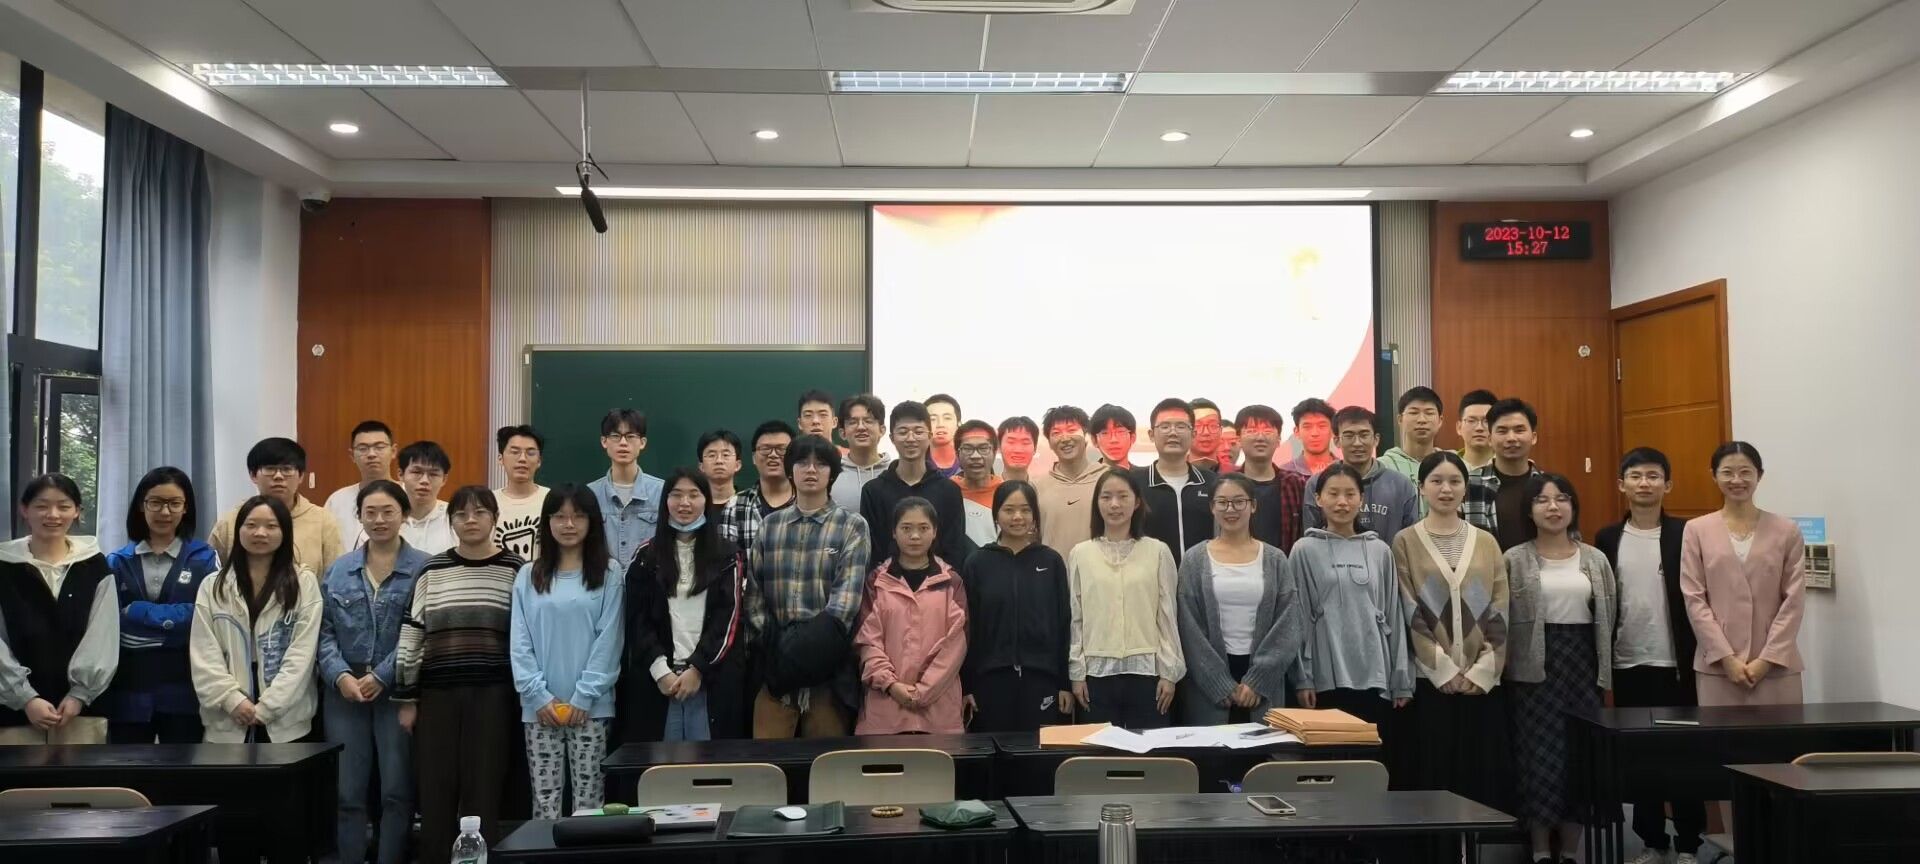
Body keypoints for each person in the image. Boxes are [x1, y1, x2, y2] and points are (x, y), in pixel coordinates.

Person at [394, 486, 525, 864]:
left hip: (494, 694)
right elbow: (412, 633)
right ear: (451, 521)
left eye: (479, 513)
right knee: (436, 790)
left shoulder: (516, 569)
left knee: (484, 787)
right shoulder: (432, 569)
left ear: (494, 519)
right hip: (437, 695)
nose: (470, 520)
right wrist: (406, 698)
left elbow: (526, 635)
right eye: (461, 514)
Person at [1594, 448, 1706, 864]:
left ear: (1668, 484)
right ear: (1621, 484)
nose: (1644, 483)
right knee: (1641, 756)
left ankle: (1690, 843)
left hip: (1678, 664)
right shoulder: (1608, 537)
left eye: (1653, 476)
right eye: (1635, 476)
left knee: (1684, 755)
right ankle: (1652, 841)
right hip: (1628, 662)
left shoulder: (1686, 533)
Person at [1504, 474, 1617, 864]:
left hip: (1583, 666)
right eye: (1542, 500)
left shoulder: (1595, 559)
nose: (1553, 507)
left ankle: (1570, 850)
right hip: (1533, 670)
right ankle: (1539, 850)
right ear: (1529, 511)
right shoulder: (1514, 558)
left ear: (1573, 507)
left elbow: (1610, 616)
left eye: (1562, 498)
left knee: (1580, 758)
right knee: (1536, 758)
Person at [319, 479, 431, 864]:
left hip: (398, 690)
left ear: (404, 515)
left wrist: (382, 675)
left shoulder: (424, 568)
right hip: (344, 692)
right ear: (360, 516)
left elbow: (422, 630)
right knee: (347, 792)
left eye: (388, 512)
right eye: (370, 512)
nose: (379, 520)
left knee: (397, 791)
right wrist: (340, 675)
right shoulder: (339, 570)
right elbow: (323, 632)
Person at [1393, 452, 1513, 813]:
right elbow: (1409, 610)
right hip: (1432, 684)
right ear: (1421, 487)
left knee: (1480, 780)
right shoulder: (1405, 542)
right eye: (1436, 481)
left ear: (1465, 488)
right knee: (1435, 780)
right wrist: (1441, 669)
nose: (1445, 489)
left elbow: (1500, 607)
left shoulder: (1486, 541)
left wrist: (1483, 671)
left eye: (1454, 481)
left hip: (1481, 684)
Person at [509, 484, 626, 819]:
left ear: (592, 522)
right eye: (559, 516)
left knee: (589, 803)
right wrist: (537, 696)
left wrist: (584, 696)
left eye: (578, 516)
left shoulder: (609, 573)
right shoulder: (528, 575)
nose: (569, 524)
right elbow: (520, 641)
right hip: (539, 708)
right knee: (544, 804)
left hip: (591, 707)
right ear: (547, 522)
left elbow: (610, 639)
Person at [748, 435, 871, 738]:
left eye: (821, 464)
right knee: (767, 761)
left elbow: (844, 605)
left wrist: (802, 654)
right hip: (774, 673)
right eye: (802, 462)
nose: (811, 470)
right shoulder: (770, 526)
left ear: (833, 473)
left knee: (826, 762)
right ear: (790, 470)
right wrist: (776, 652)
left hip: (827, 673)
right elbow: (754, 597)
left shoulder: (852, 526)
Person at [1289, 465, 1411, 751]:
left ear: (1361, 500)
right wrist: (1303, 679)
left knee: (1370, 760)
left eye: (1350, 494)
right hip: (1325, 673)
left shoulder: (1380, 550)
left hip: (1374, 673)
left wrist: (1401, 678)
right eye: (1333, 494)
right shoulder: (1303, 550)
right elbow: (1297, 618)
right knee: (1329, 762)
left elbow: (1393, 614)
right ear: (1318, 498)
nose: (1342, 502)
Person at [621, 469, 747, 743]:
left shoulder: (727, 555)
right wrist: (660, 671)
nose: (684, 503)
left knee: (707, 763)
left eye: (694, 495)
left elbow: (728, 619)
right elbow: (637, 620)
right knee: (661, 763)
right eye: (676, 495)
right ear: (665, 501)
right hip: (660, 681)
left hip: (708, 679)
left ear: (706, 501)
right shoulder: (645, 556)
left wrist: (698, 668)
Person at [190, 495, 324, 744]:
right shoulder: (213, 586)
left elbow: (303, 654)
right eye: (251, 525)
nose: (260, 533)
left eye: (271, 526)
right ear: (238, 530)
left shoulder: (304, 583)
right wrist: (232, 700)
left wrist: (269, 707)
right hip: (227, 717)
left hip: (287, 720)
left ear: (285, 532)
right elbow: (203, 652)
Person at [1682, 442, 1804, 707]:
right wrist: (1726, 658)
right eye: (1727, 472)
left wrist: (1767, 659)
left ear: (1760, 475)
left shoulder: (1787, 530)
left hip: (1776, 666)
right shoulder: (1696, 530)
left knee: (1781, 734)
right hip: (1718, 667)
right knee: (1722, 735)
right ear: (1714, 475)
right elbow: (1694, 598)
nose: (1737, 480)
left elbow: (1794, 600)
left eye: (1746, 472)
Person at [105, 467, 220, 744]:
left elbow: (208, 617)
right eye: (155, 502)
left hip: (185, 689)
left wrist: (137, 611)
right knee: (128, 765)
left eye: (174, 503)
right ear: (141, 506)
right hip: (130, 691)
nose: (165, 512)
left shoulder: (205, 558)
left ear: (186, 508)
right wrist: (173, 627)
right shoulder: (117, 561)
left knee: (183, 766)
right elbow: (109, 623)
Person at [0, 474, 117, 745]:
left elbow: (103, 636)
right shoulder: (4, 566)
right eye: (41, 506)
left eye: (63, 506)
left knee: (78, 773)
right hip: (12, 712)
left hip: (80, 714)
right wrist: (24, 697)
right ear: (24, 510)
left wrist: (79, 695)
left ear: (77, 511)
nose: (52, 515)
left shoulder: (95, 566)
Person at [1174, 474, 1300, 725]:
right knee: (1213, 749)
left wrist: (1258, 681)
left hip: (1263, 680)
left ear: (1253, 506)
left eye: (1239, 501)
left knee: (1262, 747)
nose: (1230, 509)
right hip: (1208, 683)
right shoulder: (1194, 559)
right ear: (1212, 507)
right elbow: (1188, 628)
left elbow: (1288, 625)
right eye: (1222, 502)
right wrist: (1219, 683)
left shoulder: (1275, 559)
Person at [1068, 470, 1183, 729]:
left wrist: (1169, 673)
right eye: (1106, 497)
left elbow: (1167, 616)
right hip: (1096, 676)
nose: (1114, 504)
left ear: (1137, 501)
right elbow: (1076, 618)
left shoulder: (1158, 551)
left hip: (1148, 675)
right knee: (1100, 751)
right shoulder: (1080, 554)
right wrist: (1077, 673)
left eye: (1123, 496)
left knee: (1149, 750)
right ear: (1097, 503)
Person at [961, 481, 1072, 732]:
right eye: (1009, 510)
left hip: (1042, 678)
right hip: (990, 680)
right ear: (996, 514)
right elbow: (968, 629)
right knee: (994, 751)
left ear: (1035, 514)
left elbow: (1063, 624)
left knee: (1037, 752)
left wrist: (1064, 683)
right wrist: (967, 686)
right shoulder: (977, 563)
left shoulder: (1051, 561)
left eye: (1025, 510)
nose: (1017, 517)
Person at [855, 498, 968, 734]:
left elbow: (956, 645)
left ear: (934, 532)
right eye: (906, 528)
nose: (915, 536)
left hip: (939, 715)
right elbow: (867, 642)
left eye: (923, 528)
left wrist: (923, 691)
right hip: (885, 714)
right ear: (894, 532)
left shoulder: (951, 582)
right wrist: (891, 685)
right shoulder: (876, 582)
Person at [209, 437, 346, 576]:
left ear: (301, 476)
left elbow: (336, 578)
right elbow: (212, 575)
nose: (278, 476)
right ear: (253, 475)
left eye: (287, 469)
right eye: (270, 469)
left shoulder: (323, 521)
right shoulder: (231, 521)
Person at [860, 400, 969, 566]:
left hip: (939, 580)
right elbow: (872, 550)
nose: (911, 439)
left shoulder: (949, 490)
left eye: (918, 431)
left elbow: (955, 549)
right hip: (886, 580)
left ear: (929, 436)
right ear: (892, 438)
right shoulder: (873, 491)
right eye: (903, 432)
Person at [1305, 406, 1419, 539]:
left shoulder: (1400, 484)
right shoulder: (1317, 483)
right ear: (1336, 441)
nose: (1357, 443)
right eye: (1349, 436)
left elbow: (1410, 539)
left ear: (1376, 439)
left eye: (1364, 435)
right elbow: (1311, 537)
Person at [1134, 398, 1217, 563]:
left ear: (1193, 434)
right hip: (1151, 574)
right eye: (1165, 426)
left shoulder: (1212, 482)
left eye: (1181, 426)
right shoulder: (1134, 483)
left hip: (1202, 575)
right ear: (1151, 435)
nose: (1173, 433)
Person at [1464, 398, 1545, 552]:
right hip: (1484, 567)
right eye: (1502, 431)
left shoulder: (1548, 486)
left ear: (1533, 437)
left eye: (1519, 430)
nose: (1511, 438)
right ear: (1490, 439)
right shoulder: (1468, 484)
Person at [589, 408, 665, 568]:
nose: (623, 443)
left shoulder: (662, 491)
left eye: (630, 436)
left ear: (642, 442)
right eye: (615, 436)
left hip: (647, 580)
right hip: (602, 581)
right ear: (604, 441)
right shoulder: (590, 494)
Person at [1033, 405, 1107, 560]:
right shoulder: (1038, 487)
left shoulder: (1108, 479)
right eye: (1056, 433)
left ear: (1086, 435)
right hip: (1053, 572)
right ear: (1049, 442)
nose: (1065, 438)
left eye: (1072, 430)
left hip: (1100, 571)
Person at [1235, 405, 1307, 554]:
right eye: (1251, 431)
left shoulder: (1296, 484)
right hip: (1237, 564)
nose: (1260, 437)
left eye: (1267, 431)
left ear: (1279, 439)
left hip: (1285, 565)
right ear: (1238, 439)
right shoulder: (1227, 485)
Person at [325, 420, 397, 550]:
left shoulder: (409, 496)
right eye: (363, 448)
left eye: (379, 447)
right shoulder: (337, 501)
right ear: (352, 455)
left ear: (393, 451)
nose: (371, 454)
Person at [492, 425, 550, 561]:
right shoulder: (488, 502)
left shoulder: (552, 499)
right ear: (500, 458)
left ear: (539, 460)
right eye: (514, 452)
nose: (522, 459)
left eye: (530, 453)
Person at [831, 394, 892, 511]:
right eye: (853, 422)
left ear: (882, 430)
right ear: (842, 433)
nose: (861, 427)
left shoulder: (895, 472)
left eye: (868, 421)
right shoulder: (832, 474)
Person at [698, 429, 754, 549]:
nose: (719, 461)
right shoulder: (694, 506)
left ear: (737, 465)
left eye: (726, 455)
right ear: (701, 466)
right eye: (712, 455)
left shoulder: (751, 505)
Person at [397, 441, 455, 555]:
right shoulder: (386, 518)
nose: (424, 481)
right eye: (416, 472)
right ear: (400, 474)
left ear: (444, 479)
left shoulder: (454, 518)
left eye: (433, 474)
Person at [952, 420, 1003, 548]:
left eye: (983, 448)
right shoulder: (947, 491)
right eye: (967, 449)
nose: (975, 456)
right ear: (957, 454)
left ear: (994, 452)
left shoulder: (1006, 493)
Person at [1380, 386, 1443, 490]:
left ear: (1440, 421)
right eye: (1414, 413)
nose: (1422, 420)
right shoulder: (1383, 467)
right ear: (1400, 419)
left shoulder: (1450, 464)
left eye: (1429, 413)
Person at [739, 420, 797, 519]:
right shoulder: (735, 505)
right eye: (765, 449)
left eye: (782, 449)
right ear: (753, 457)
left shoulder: (809, 503)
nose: (773, 455)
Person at [1281, 397, 1340, 483]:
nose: (1314, 433)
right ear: (1297, 432)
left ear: (1332, 430)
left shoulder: (1346, 470)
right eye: (1307, 427)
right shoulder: (1284, 473)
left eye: (1322, 426)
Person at [1455, 389, 1499, 471]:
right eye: (1471, 421)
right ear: (1459, 427)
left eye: (1486, 421)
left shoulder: (1508, 466)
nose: (1479, 428)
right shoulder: (1446, 465)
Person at [925, 394, 964, 479]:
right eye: (932, 419)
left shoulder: (973, 462)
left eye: (947, 418)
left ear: (959, 424)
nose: (940, 424)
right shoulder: (913, 466)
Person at [1091, 403, 1139, 470]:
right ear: (1094, 441)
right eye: (1105, 433)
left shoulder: (1145, 476)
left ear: (1132, 438)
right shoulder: (1085, 476)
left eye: (1120, 432)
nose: (1114, 440)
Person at [998, 416, 1040, 484]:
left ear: (1035, 448)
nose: (1018, 450)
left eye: (1025, 443)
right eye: (1011, 442)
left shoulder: (1042, 488)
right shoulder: (985, 489)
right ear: (999, 447)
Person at [1189, 398, 1225, 473]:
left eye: (1213, 425)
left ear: (1221, 431)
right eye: (1197, 426)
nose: (1206, 432)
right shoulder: (1171, 472)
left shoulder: (1236, 473)